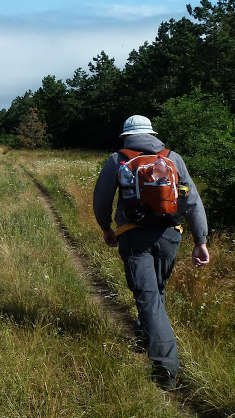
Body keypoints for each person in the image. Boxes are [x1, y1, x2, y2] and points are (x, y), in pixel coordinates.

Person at [93, 114, 210, 390]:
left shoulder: (118, 158)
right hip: (171, 235)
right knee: (155, 290)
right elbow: (191, 199)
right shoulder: (173, 157)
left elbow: (102, 198)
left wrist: (106, 227)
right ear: (152, 134)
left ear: (126, 136)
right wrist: (201, 240)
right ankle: (145, 332)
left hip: (134, 236)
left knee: (147, 296)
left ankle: (166, 366)